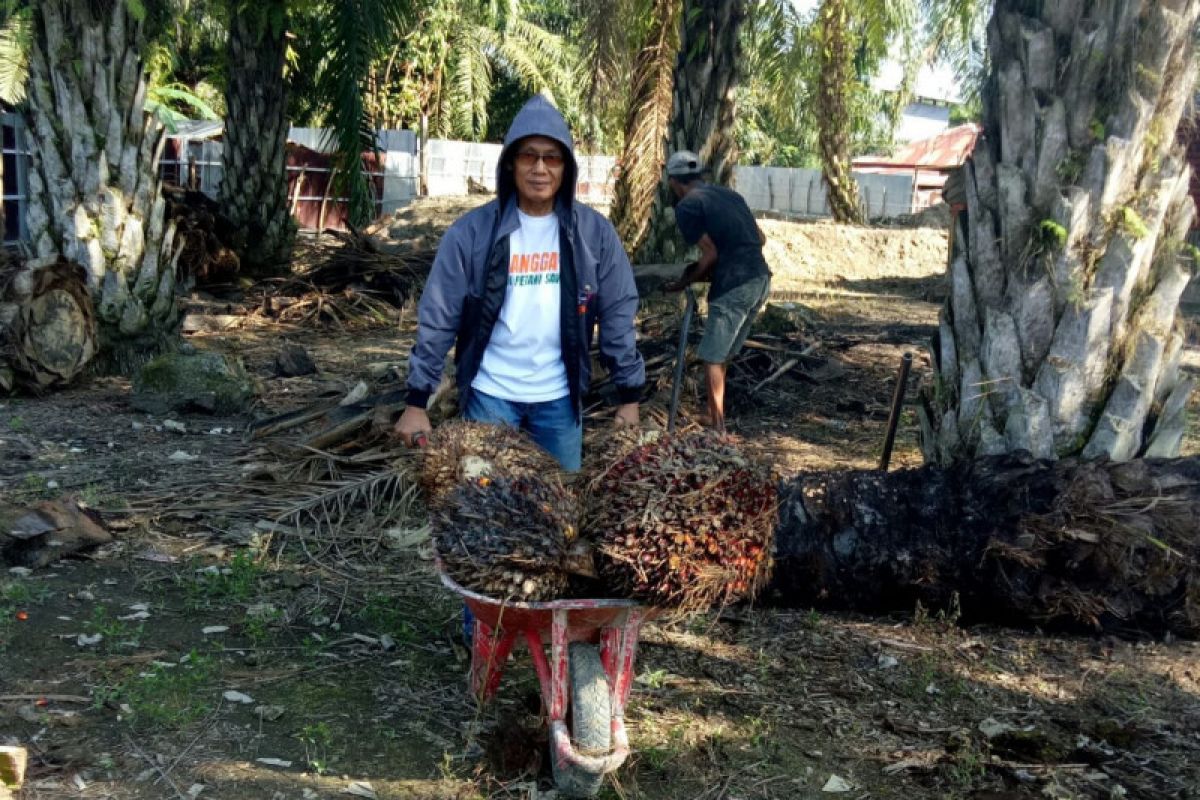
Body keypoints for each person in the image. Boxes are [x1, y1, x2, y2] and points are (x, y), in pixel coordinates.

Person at [394, 95, 645, 472]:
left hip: (560, 401)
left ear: (566, 168)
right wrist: (416, 403)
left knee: (558, 510)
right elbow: (438, 317)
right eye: (529, 155)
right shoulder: (471, 234)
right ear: (511, 163)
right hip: (490, 397)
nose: (540, 168)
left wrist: (629, 395)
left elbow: (617, 314)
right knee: (482, 510)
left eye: (552, 157)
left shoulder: (594, 235)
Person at [663, 150, 771, 432]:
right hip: (760, 279)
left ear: (674, 181)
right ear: (700, 176)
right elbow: (760, 238)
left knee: (711, 356)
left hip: (733, 284)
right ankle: (714, 415)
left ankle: (718, 430)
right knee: (722, 355)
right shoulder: (731, 196)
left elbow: (709, 254)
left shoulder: (687, 206)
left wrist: (683, 282)